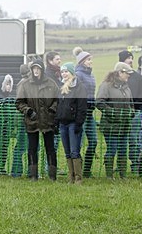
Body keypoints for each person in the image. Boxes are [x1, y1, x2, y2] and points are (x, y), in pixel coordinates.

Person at [16, 58, 59, 181]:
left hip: (48, 121)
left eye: (38, 68)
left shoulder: (51, 83)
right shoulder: (25, 84)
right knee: (32, 148)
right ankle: (33, 175)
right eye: (34, 68)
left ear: (42, 70)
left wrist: (52, 110)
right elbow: (19, 102)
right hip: (32, 120)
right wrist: (28, 111)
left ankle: (52, 175)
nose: (36, 71)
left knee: (50, 148)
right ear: (31, 69)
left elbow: (58, 99)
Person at [96, 61, 135, 179]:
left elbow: (131, 104)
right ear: (119, 73)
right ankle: (109, 176)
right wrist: (113, 113)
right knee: (112, 149)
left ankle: (123, 175)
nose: (128, 75)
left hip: (124, 125)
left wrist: (131, 113)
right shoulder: (106, 86)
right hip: (111, 125)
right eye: (127, 73)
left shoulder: (126, 88)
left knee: (123, 150)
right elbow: (99, 102)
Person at [55, 62, 88, 184]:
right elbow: (59, 106)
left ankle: (78, 178)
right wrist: (56, 121)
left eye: (66, 71)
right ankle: (71, 176)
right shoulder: (61, 87)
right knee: (67, 151)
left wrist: (79, 123)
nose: (64, 74)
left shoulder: (79, 87)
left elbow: (82, 107)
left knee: (75, 151)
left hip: (74, 124)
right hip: (63, 123)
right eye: (62, 72)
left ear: (72, 73)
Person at [73, 47, 98, 177]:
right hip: (80, 114)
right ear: (82, 61)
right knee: (79, 143)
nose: (90, 62)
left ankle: (87, 169)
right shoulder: (78, 75)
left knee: (93, 142)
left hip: (90, 113)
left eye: (91, 59)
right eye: (88, 60)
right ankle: (78, 170)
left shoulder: (91, 75)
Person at [0, 73, 16, 175]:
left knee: (4, 146)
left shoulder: (7, 97)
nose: (8, 86)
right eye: (6, 84)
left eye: (9, 84)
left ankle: (1, 166)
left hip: (6, 126)